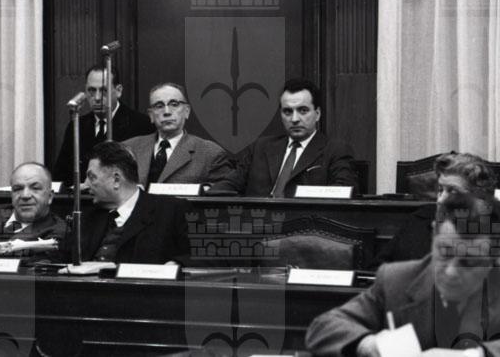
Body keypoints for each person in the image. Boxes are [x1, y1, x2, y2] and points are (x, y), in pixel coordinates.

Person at [306, 152, 500, 356]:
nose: (451, 271)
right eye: (445, 253)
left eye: (468, 262)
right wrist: (371, 345)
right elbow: (324, 327)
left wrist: (474, 355)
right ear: (434, 235)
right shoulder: (396, 279)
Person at [211, 78, 357, 197]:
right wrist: (205, 191)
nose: (294, 119)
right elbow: (228, 185)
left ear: (317, 114)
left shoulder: (335, 150)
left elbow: (344, 192)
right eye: (287, 112)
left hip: (305, 222)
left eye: (303, 111)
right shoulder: (260, 147)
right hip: (257, 220)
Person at [69, 141, 190, 265]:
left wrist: (175, 264)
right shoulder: (87, 217)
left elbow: (198, 255)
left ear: (116, 180)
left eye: (91, 177)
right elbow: (63, 259)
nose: (85, 184)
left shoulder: (172, 211)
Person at [52, 65, 154, 186]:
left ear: (119, 90)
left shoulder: (141, 124)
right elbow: (61, 175)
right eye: (91, 90)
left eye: (104, 91)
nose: (97, 98)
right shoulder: (77, 125)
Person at [122, 83, 234, 188]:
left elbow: (225, 191)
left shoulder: (210, 153)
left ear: (187, 111)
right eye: (159, 106)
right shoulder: (128, 149)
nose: (167, 112)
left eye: (174, 104)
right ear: (151, 115)